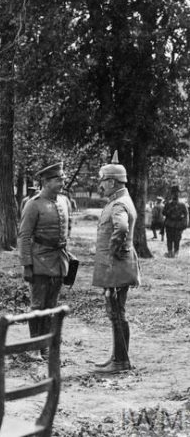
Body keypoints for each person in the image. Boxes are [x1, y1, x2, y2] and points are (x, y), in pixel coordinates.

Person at [92, 151, 140, 374]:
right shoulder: (120, 200)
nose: (101, 186)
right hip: (118, 267)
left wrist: (112, 253)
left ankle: (120, 361)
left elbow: (121, 229)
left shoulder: (119, 204)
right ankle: (118, 356)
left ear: (111, 182)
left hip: (116, 267)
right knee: (115, 312)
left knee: (117, 313)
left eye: (103, 181)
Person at [18, 162, 73, 360]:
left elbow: (68, 228)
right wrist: (26, 265)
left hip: (59, 261)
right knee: (37, 306)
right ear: (46, 182)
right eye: (58, 180)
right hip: (39, 261)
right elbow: (24, 236)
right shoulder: (34, 204)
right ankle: (34, 347)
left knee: (51, 306)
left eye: (62, 179)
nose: (62, 183)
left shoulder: (65, 201)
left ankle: (46, 347)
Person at [162, 186, 187, 258]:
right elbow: (163, 213)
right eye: (174, 193)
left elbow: (186, 214)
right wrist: (168, 212)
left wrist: (184, 224)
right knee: (169, 239)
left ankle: (176, 252)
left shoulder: (182, 205)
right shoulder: (168, 204)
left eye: (177, 193)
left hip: (178, 225)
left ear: (179, 194)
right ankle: (170, 252)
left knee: (177, 239)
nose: (176, 194)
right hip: (169, 224)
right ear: (172, 194)